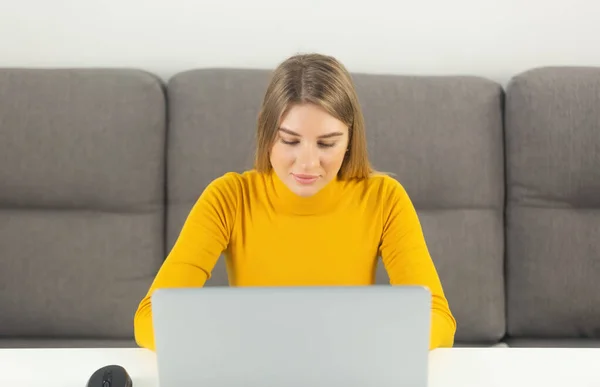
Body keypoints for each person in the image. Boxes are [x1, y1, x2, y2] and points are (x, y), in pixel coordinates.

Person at [133, 53, 456, 351]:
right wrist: (229, 342)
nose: (307, 163)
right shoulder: (228, 198)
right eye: (290, 140)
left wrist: (367, 342)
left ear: (349, 139)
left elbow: (438, 318)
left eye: (327, 143)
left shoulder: (384, 198)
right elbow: (149, 317)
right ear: (266, 132)